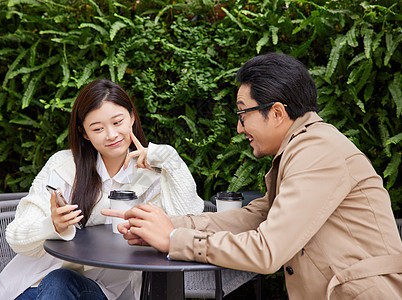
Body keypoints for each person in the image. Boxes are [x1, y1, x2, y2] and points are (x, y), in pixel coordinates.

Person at [102, 53, 402, 299]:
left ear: (277, 113)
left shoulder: (317, 151)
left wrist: (173, 238)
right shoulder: (302, 149)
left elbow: (267, 251)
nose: (239, 128)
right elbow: (252, 218)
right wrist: (160, 226)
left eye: (242, 113)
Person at [0, 78, 204, 300]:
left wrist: (169, 159)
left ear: (132, 117)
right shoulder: (64, 166)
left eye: (118, 122)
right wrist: (51, 225)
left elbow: (188, 226)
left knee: (61, 280)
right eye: (98, 128)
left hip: (103, 290)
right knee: (58, 280)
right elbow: (16, 237)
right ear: (84, 132)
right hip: (34, 285)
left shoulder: (152, 176)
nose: (111, 135)